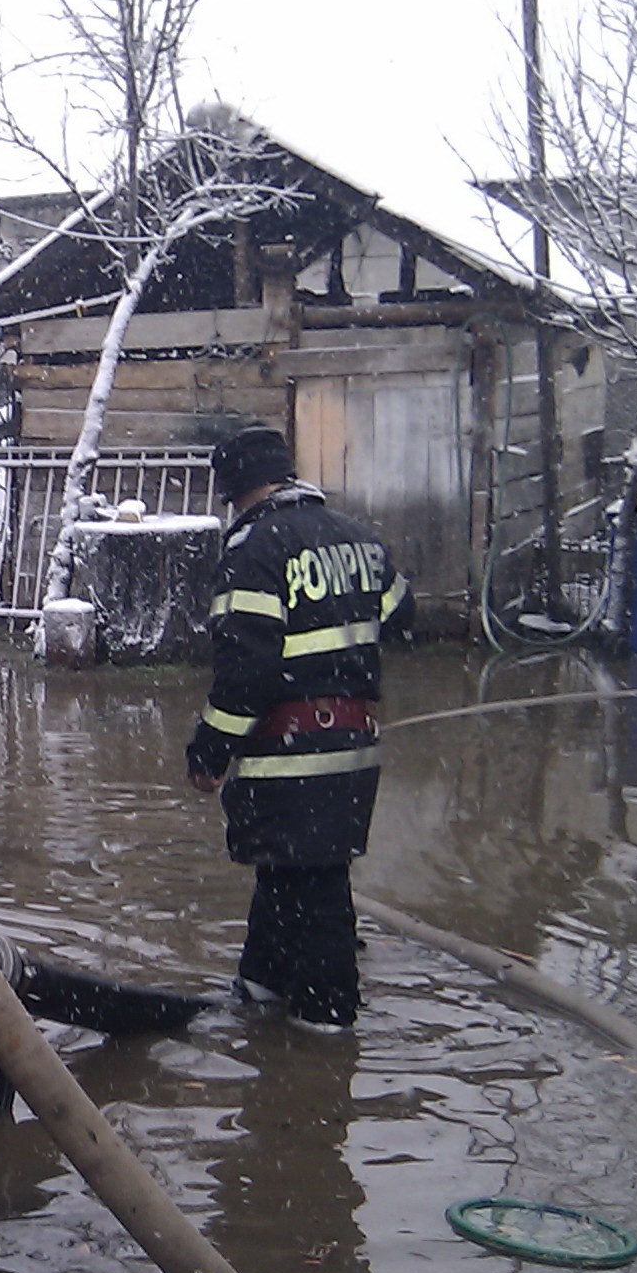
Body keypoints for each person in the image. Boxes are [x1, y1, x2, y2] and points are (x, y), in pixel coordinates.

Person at [185, 425, 413, 1029]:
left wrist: (208, 752)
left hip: (291, 755)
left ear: (236, 492)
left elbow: (245, 673)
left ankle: (326, 1030)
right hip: (354, 750)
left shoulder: (254, 550)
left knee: (316, 889)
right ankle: (261, 988)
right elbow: (402, 615)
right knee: (290, 868)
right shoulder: (357, 536)